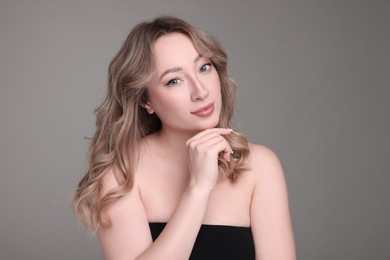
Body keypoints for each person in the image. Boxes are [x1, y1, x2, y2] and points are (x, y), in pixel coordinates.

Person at [73, 16, 296, 260]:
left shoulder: (259, 167)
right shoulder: (122, 175)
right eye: (174, 81)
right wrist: (198, 190)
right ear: (146, 101)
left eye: (204, 68)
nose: (200, 91)